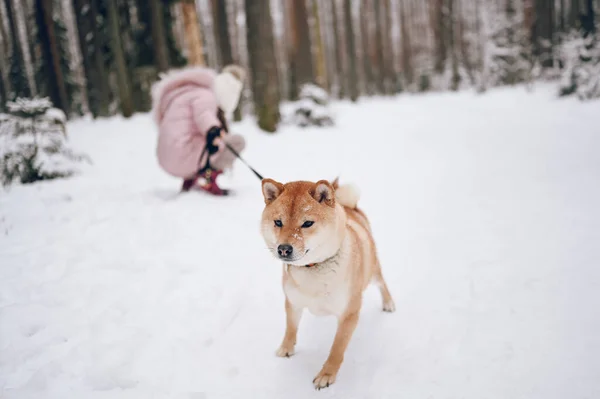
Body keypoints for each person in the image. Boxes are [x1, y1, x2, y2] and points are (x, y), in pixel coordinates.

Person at [151, 64, 246, 196]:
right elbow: (203, 116)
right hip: (182, 155)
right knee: (236, 142)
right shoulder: (206, 96)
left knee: (202, 138)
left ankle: (191, 179)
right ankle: (206, 178)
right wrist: (214, 130)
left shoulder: (189, 93)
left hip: (167, 158)